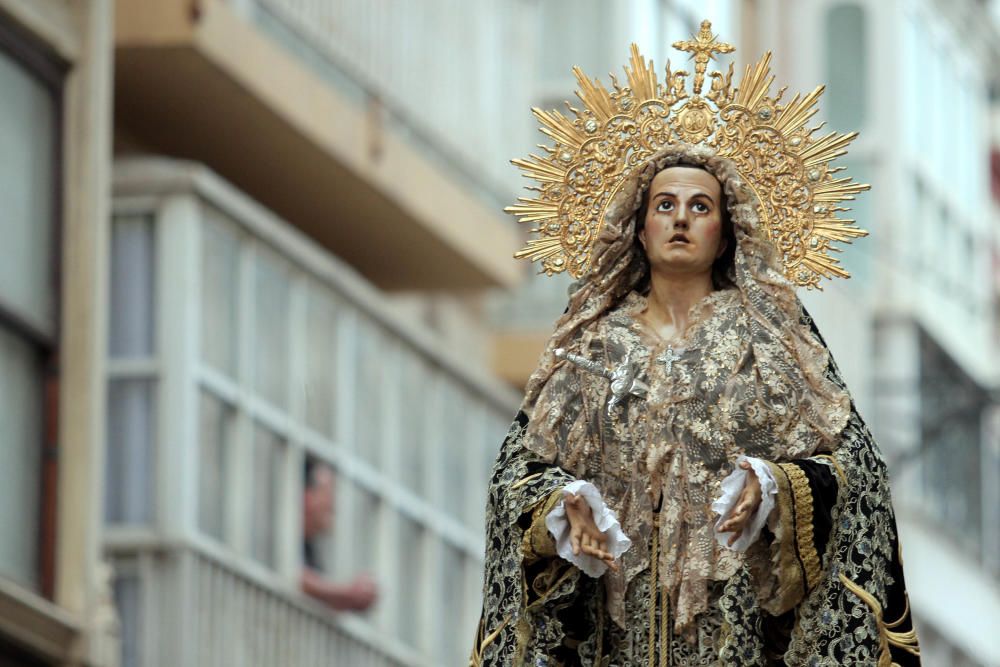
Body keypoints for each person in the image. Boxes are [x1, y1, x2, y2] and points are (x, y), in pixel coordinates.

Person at [472, 22, 920, 666]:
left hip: (732, 636)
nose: (681, 218)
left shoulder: (769, 341)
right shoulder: (591, 346)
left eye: (700, 206)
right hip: (611, 637)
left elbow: (858, 474)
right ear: (639, 226)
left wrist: (776, 488)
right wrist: (563, 508)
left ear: (726, 229)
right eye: (665, 205)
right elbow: (517, 473)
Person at [300, 459, 378, 612]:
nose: (333, 504)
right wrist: (343, 593)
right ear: (306, 495)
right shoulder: (275, 535)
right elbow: (290, 574)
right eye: (328, 492)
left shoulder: (309, 549)